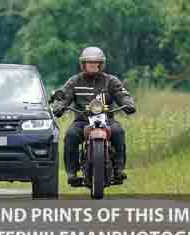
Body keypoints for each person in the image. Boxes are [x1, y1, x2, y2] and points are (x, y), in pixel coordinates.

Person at [51, 46, 136, 185]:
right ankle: (72, 172)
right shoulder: (74, 81)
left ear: (100, 64)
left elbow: (123, 94)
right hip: (82, 121)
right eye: (88, 62)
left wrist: (128, 103)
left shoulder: (111, 81)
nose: (92, 65)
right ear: (83, 64)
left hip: (106, 120)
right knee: (70, 135)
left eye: (95, 62)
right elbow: (63, 97)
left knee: (118, 132)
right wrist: (59, 106)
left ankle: (118, 169)